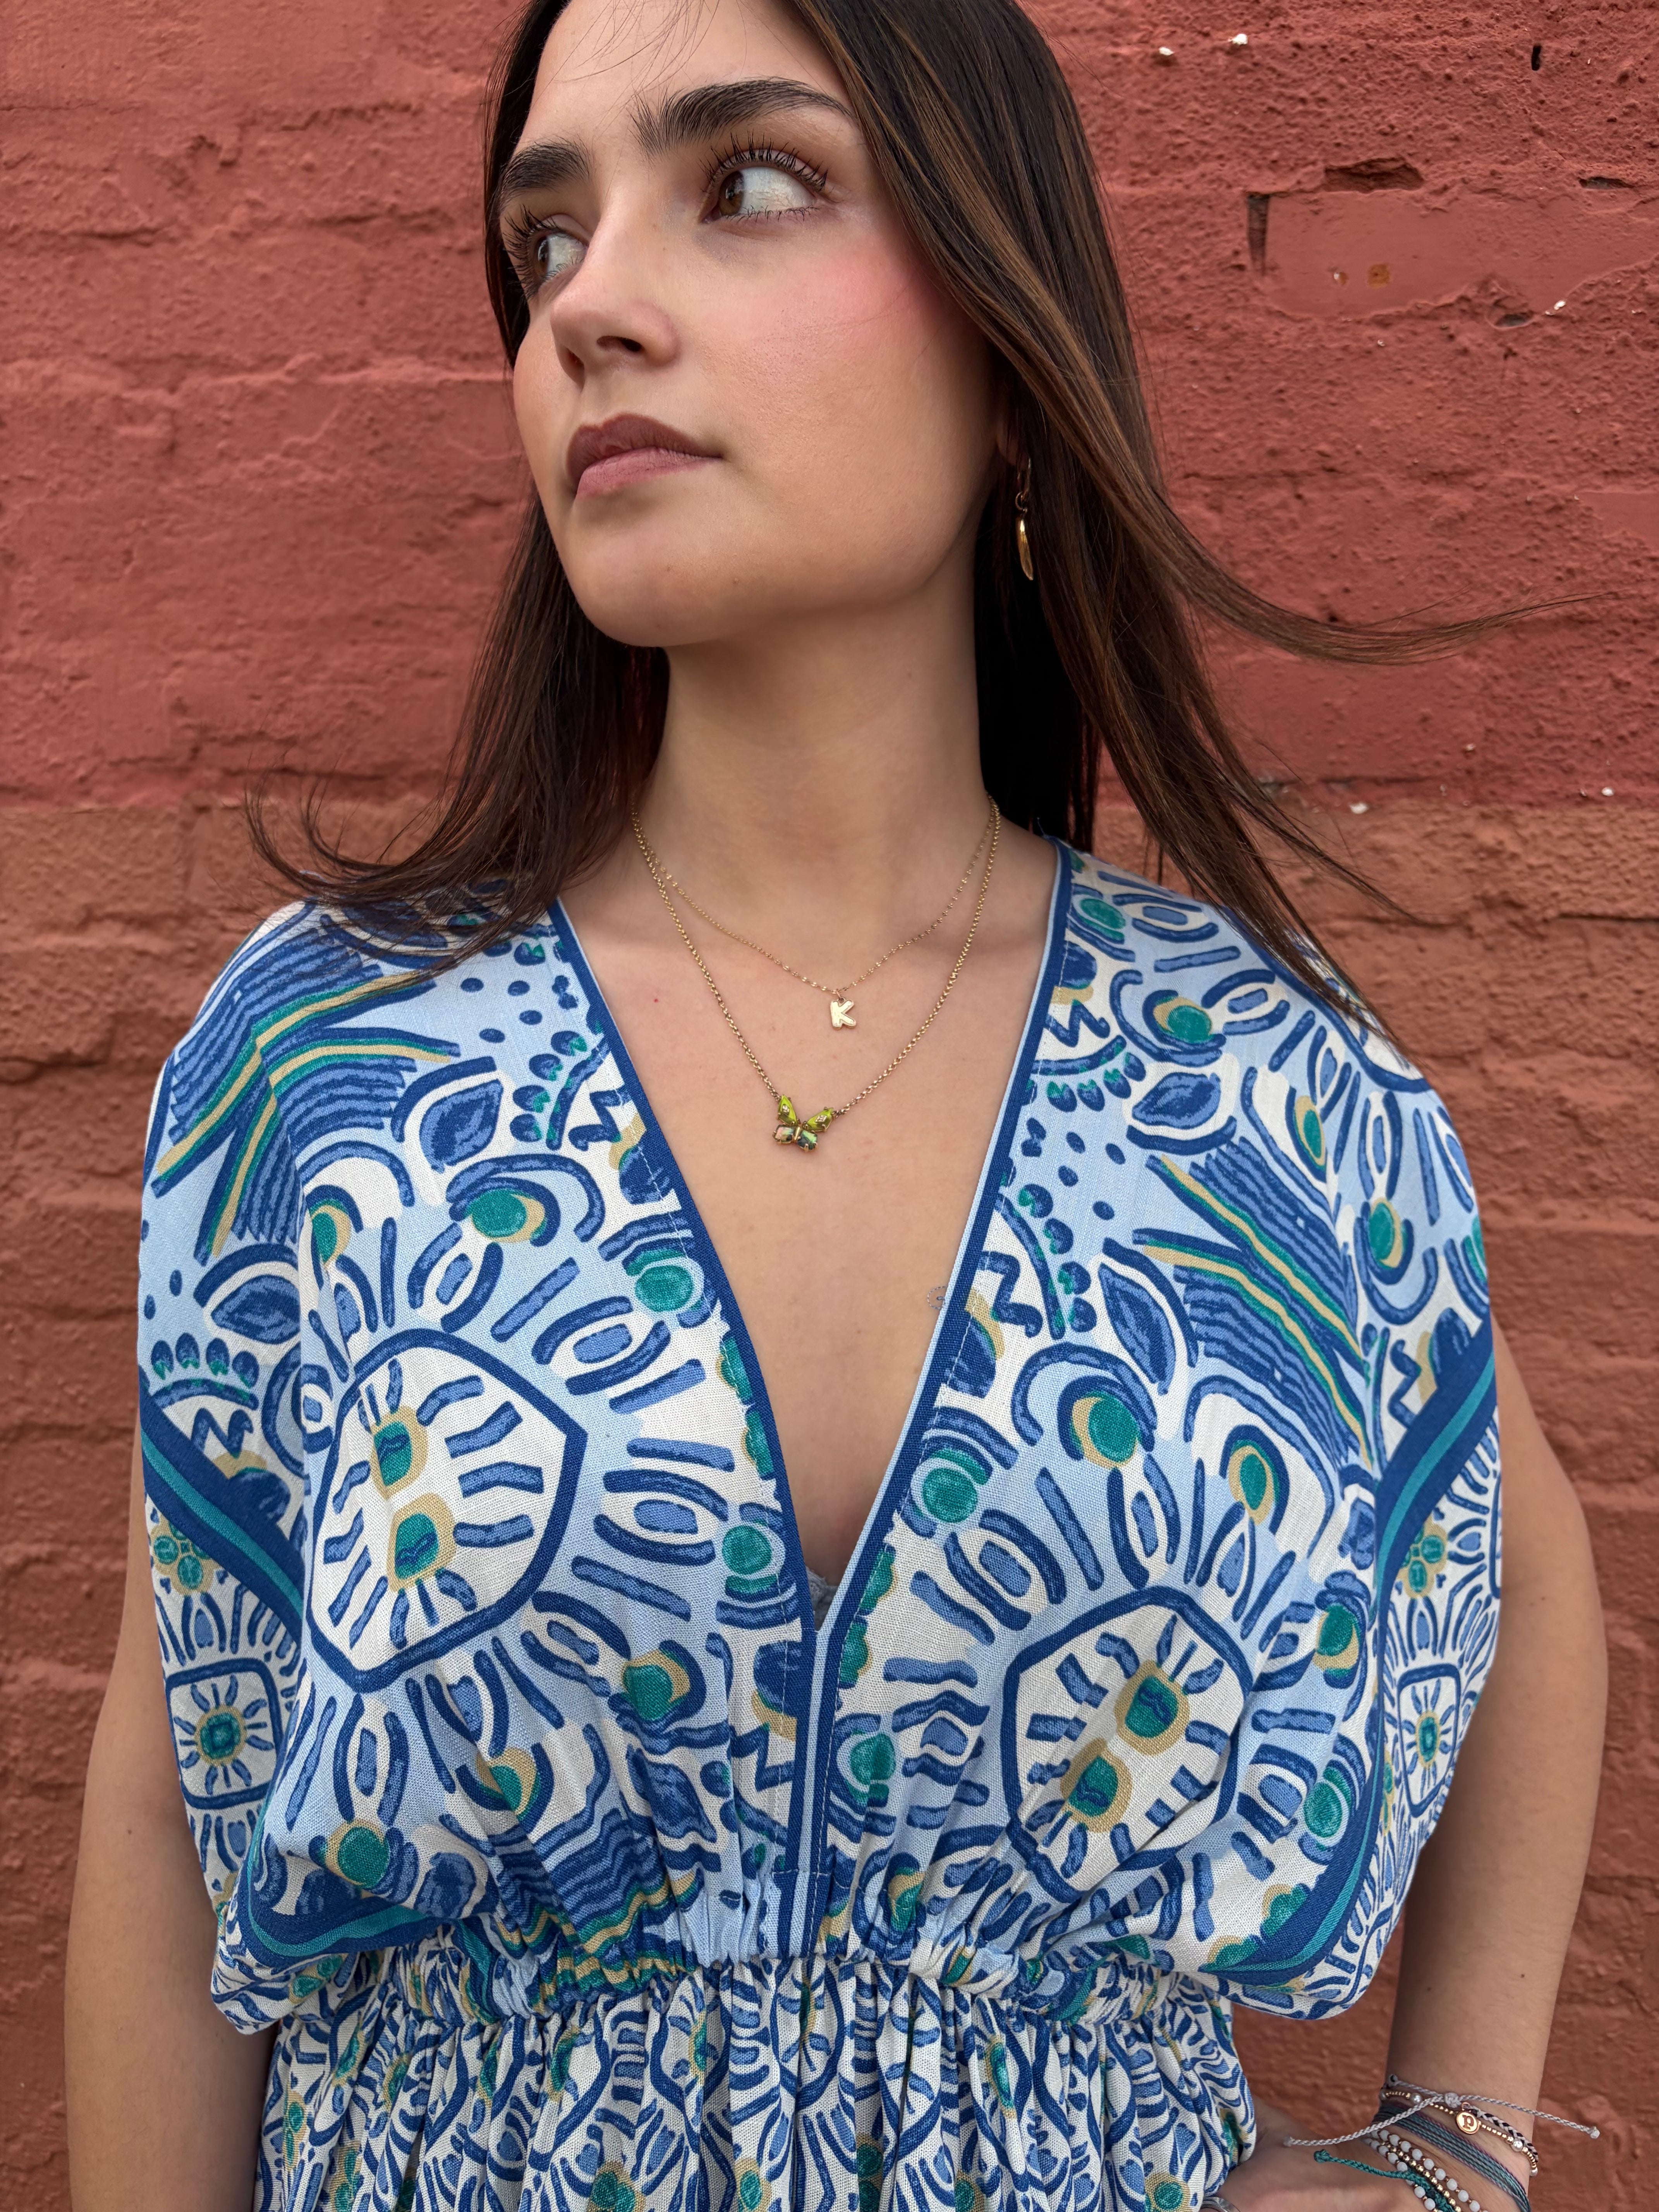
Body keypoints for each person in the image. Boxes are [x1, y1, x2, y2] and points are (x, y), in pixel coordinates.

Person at [64, 0, 1607, 2206]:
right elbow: (174, 1783)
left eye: (750, 181)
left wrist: (1452, 2148)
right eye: (545, 240)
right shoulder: (335, 1066)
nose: (590, 304)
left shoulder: (1263, 1085)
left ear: (1007, 329)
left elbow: (1514, 1563)